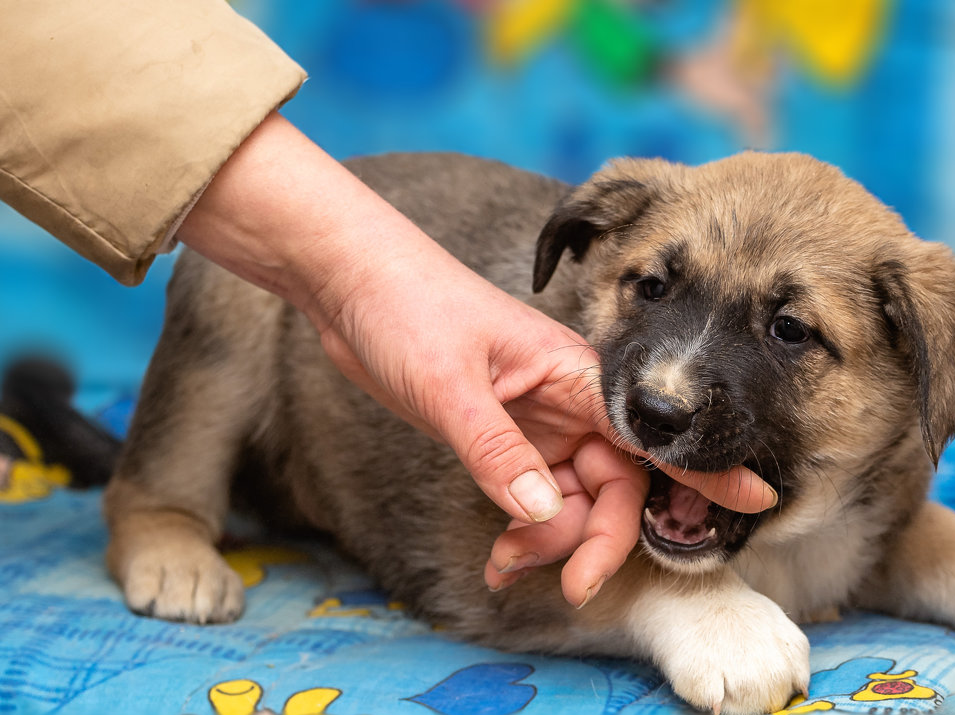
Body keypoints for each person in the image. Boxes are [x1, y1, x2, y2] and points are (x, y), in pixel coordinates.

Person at [0, 0, 776, 607]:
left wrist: (360, 275)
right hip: (304, 428)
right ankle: (159, 504)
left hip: (337, 466)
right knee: (229, 276)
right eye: (651, 289)